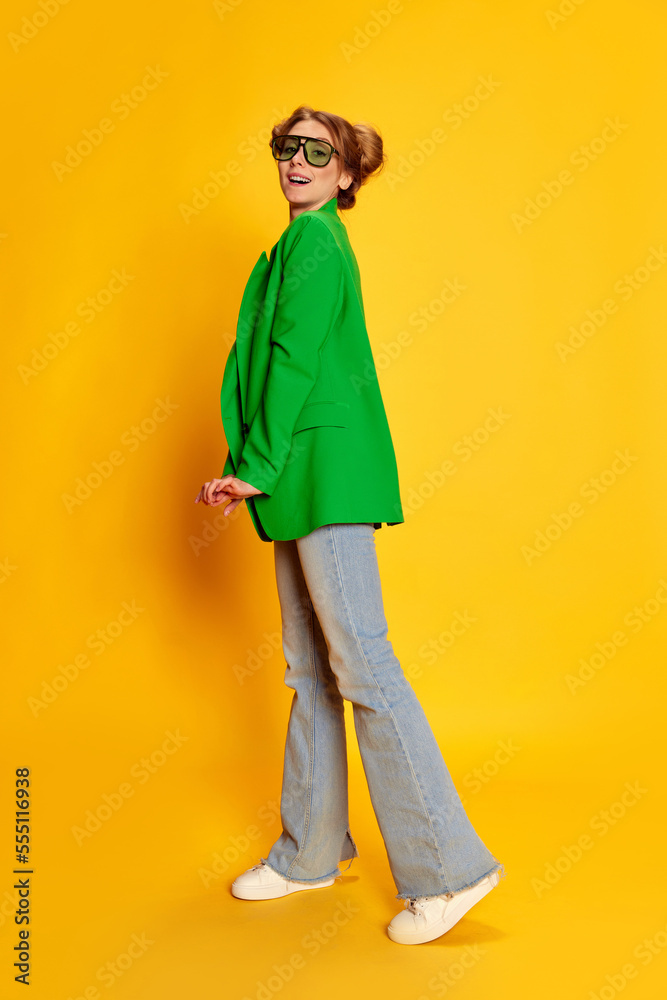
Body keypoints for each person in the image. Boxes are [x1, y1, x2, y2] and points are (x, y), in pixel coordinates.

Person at [195, 105, 505, 945]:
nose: (296, 161)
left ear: (343, 175)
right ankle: (311, 850)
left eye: (316, 152)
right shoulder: (302, 244)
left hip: (320, 473)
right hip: (299, 473)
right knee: (312, 668)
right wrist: (259, 470)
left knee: (361, 664)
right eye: (285, 148)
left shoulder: (317, 245)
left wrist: (254, 467)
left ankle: (448, 870)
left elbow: (292, 360)